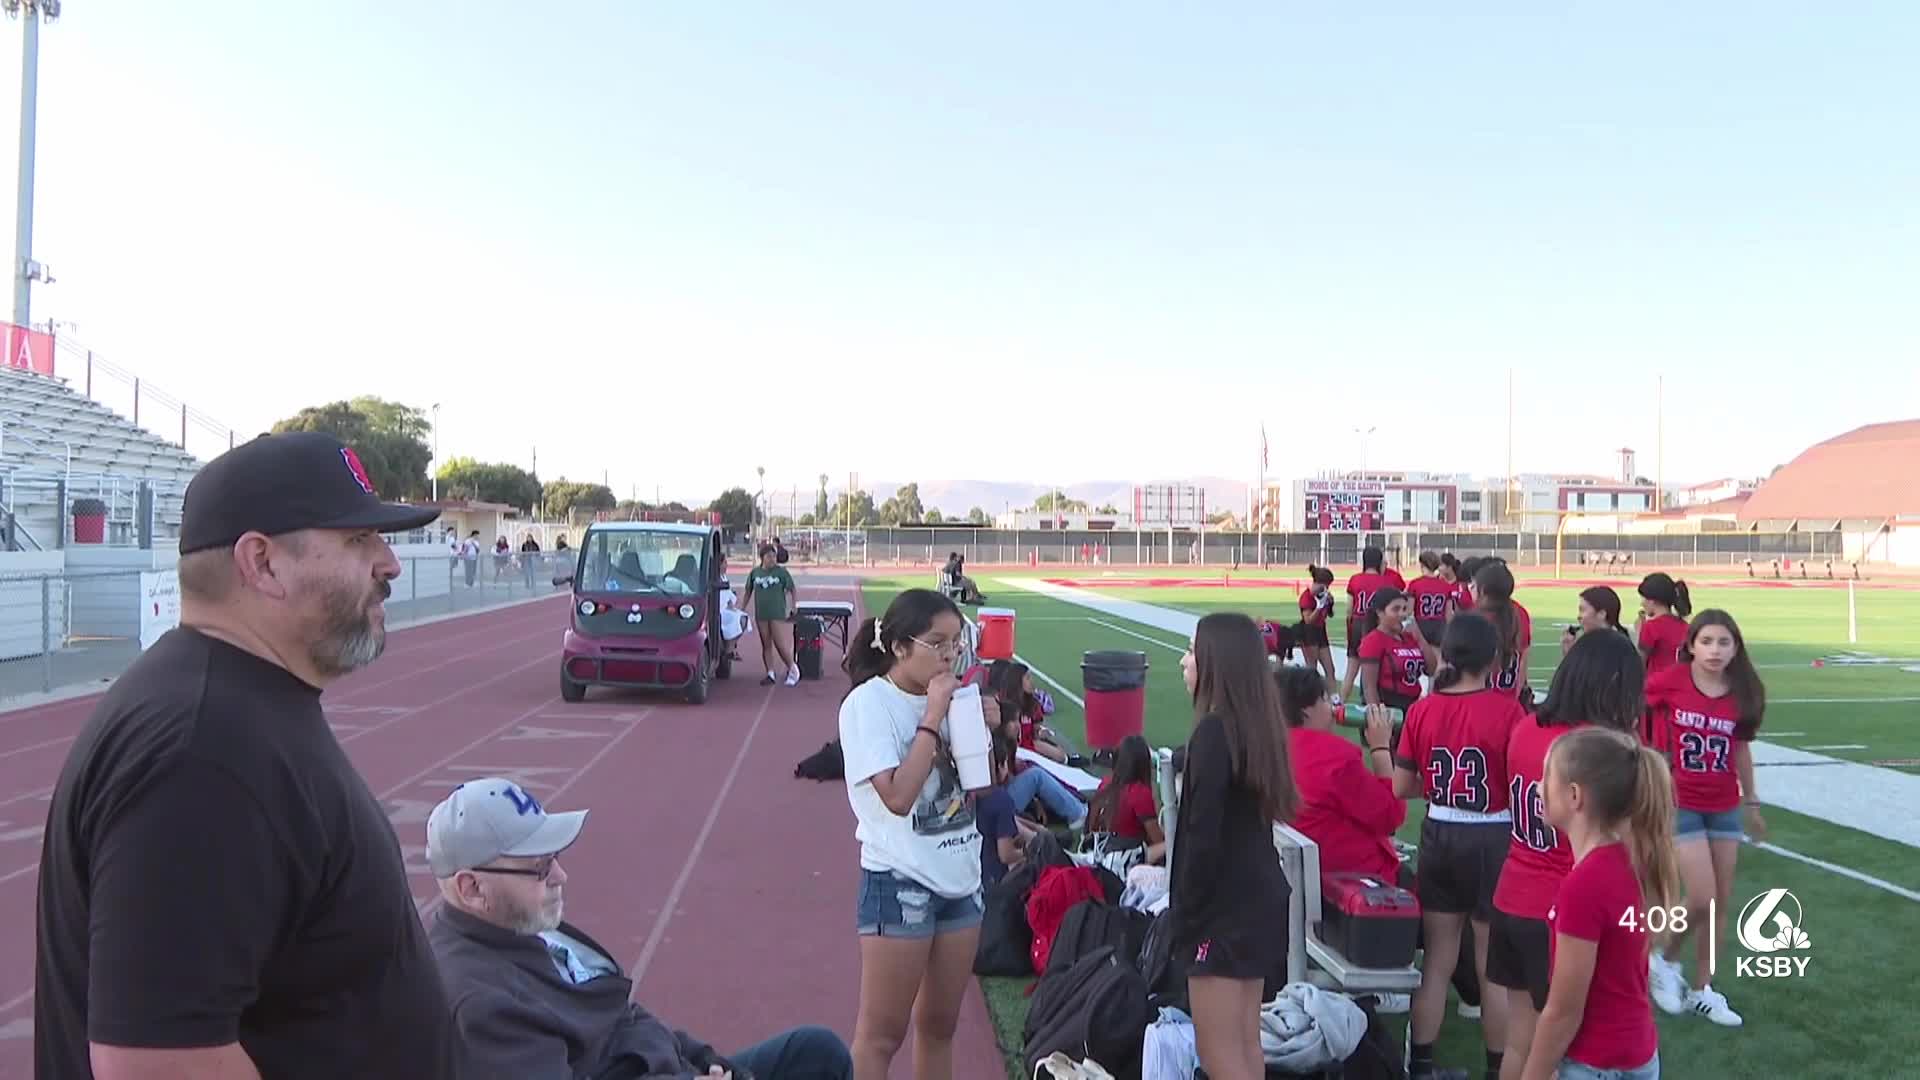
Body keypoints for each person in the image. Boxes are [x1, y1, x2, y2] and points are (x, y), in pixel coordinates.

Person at [34, 430, 457, 1079]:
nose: (389, 564)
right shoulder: (202, 750)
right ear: (261, 563)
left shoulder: (236, 710)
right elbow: (158, 1064)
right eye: (356, 540)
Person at [424, 777, 852, 1078]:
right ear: (472, 887)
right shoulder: (481, 1003)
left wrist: (704, 1058)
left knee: (817, 1053)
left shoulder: (519, 923)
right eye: (538, 868)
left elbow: (619, 1010)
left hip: (663, 1062)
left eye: (555, 858)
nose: (560, 876)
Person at [838, 589, 989, 1080]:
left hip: (961, 880)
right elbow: (898, 797)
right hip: (900, 883)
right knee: (881, 1035)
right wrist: (932, 717)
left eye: (958, 644)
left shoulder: (951, 698)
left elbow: (979, 791)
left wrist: (989, 732)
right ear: (900, 647)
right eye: (938, 644)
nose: (950, 655)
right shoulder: (869, 705)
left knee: (941, 1027)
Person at [1490, 629, 1646, 1080]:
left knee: (1520, 1042)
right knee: (1563, 1048)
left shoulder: (1526, 726)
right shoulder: (1599, 751)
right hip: (1564, 909)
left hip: (1513, 892)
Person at [1393, 613, 1525, 1080]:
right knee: (1494, 968)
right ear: (1493, 658)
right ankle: (1497, 1069)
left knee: (1438, 960)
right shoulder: (1508, 710)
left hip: (1441, 832)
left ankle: (1422, 1064)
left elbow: (1402, 787)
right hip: (1493, 835)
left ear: (1447, 654)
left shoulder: (1422, 710)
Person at [1170, 612, 1300, 1080]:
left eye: (1191, 651)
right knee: (1245, 1044)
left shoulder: (1214, 733)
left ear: (1214, 662)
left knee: (1220, 1050)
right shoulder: (1258, 727)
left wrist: (1183, 917)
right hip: (1258, 898)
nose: (1184, 662)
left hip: (1223, 908)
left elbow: (1202, 840)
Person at [1520, 728, 1679, 1080]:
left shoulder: (1586, 884)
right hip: (1637, 1053)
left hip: (1595, 1062)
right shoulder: (1633, 860)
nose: (1537, 786)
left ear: (1574, 796)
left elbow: (1563, 1011)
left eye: (1547, 777)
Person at [1645, 610, 1764, 1028]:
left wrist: (1752, 801)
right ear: (1691, 644)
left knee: (1719, 904)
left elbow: (1743, 750)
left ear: (1736, 648)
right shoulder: (1671, 680)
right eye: (1707, 641)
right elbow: (1634, 706)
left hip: (1724, 804)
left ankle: (1703, 989)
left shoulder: (1744, 692)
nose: (1715, 650)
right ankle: (1664, 959)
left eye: (1724, 642)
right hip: (1681, 801)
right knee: (1701, 896)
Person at [1084, 734, 1166, 862]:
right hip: (1122, 858)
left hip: (1098, 851)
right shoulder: (1139, 792)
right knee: (1169, 845)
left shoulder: (1106, 783)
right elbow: (1157, 839)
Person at [1474, 560, 1533, 704]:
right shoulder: (1520, 614)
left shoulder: (1474, 617)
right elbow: (1522, 664)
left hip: (1479, 702)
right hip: (1510, 703)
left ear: (1482, 590)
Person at [749, 542, 801, 686]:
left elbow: (792, 589)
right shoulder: (755, 573)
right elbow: (748, 592)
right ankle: (770, 673)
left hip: (777, 612)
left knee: (780, 643)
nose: (772, 559)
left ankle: (793, 669)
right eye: (769, 556)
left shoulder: (781, 572)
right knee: (766, 643)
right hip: (761, 613)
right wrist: (742, 608)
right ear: (762, 558)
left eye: (774, 556)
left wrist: (794, 605)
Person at [1634, 572, 1693, 680]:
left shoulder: (1651, 627)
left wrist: (1639, 633)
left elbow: (1638, 664)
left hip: (1657, 687)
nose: (1642, 603)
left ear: (1652, 601)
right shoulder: (1686, 626)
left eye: (1643, 599)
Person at [1559, 585, 1631, 656]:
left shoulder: (1614, 647)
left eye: (1582, 610)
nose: (1579, 616)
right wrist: (1568, 650)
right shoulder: (1592, 642)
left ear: (1602, 614)